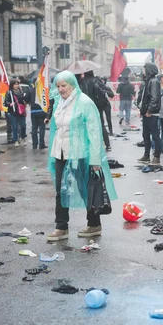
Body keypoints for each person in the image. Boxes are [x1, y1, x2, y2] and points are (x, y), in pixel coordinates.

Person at [47, 71, 117, 240]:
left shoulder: (85, 103)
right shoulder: (58, 103)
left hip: (79, 154)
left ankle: (94, 224)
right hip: (60, 153)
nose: (61, 89)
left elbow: (94, 133)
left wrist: (94, 160)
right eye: (58, 86)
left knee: (85, 189)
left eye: (64, 86)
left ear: (72, 85)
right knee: (60, 190)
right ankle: (61, 227)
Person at [136, 63, 162, 165]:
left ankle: (156, 156)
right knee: (146, 135)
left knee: (155, 135)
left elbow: (154, 98)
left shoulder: (154, 81)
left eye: (144, 69)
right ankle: (146, 155)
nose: (143, 71)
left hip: (151, 113)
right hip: (146, 112)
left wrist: (149, 110)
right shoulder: (148, 81)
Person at [79, 71, 111, 151]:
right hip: (96, 106)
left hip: (85, 107)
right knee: (101, 124)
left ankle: (89, 144)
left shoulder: (81, 82)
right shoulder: (96, 80)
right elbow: (104, 92)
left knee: (86, 125)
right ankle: (107, 144)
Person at [4, 79, 28, 147]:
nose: (17, 86)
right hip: (13, 112)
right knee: (14, 127)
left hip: (21, 112)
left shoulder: (21, 91)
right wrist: (10, 104)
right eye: (15, 84)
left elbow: (25, 99)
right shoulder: (9, 92)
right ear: (12, 85)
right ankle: (16, 140)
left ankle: (23, 138)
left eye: (17, 84)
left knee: (23, 126)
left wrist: (25, 101)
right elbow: (5, 102)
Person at [28, 77, 48, 150]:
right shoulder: (44, 91)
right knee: (42, 128)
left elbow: (27, 100)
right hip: (42, 111)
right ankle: (41, 144)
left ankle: (34, 145)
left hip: (33, 111)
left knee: (34, 128)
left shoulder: (30, 90)